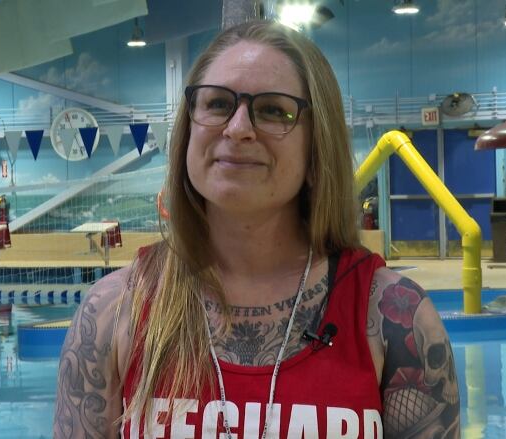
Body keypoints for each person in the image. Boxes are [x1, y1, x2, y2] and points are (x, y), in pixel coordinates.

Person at [54, 20, 459, 438]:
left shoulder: (396, 318)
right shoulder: (112, 312)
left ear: (317, 143)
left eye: (272, 110)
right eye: (216, 104)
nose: (238, 128)